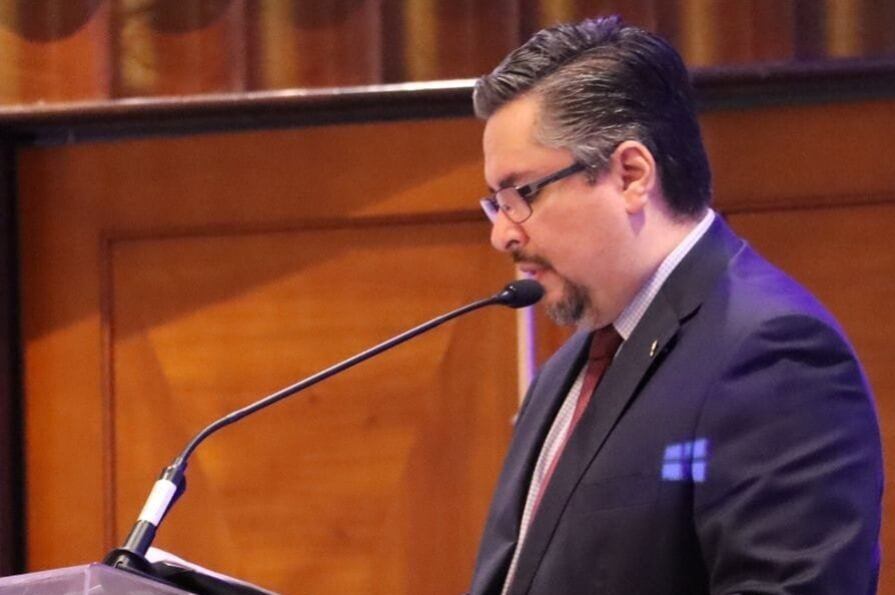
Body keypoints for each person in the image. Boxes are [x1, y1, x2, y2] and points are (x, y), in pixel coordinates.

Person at [468, 15, 883, 595]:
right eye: (497, 202)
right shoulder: (565, 372)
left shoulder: (772, 355)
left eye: (522, 194)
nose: (502, 234)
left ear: (631, 174)